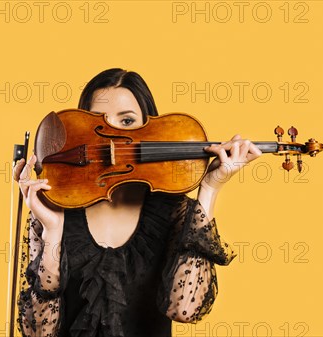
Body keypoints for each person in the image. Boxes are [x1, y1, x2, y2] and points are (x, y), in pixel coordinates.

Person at [13, 68, 262, 337]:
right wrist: (52, 230)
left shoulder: (173, 211)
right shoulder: (56, 206)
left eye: (128, 121)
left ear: (150, 127)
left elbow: (185, 309)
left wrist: (210, 188)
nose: (113, 144)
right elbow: (37, 332)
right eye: (102, 124)